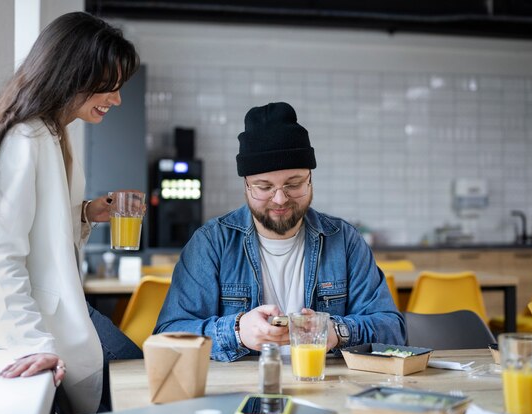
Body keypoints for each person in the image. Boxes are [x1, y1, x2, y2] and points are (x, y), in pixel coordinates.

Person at [0, 12, 142, 414]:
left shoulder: (55, 132)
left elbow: (39, 224)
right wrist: (33, 344)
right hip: (34, 322)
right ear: (73, 74)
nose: (116, 99)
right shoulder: (23, 138)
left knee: (139, 377)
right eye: (109, 86)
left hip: (60, 311)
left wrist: (85, 213)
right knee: (137, 382)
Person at [155, 102, 406, 362]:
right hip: (240, 393)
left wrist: (337, 331)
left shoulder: (344, 241)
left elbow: (394, 331)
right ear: (246, 185)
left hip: (327, 387)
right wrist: (237, 332)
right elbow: (167, 337)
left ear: (310, 179)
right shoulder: (211, 243)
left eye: (293, 184)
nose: (279, 199)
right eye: (264, 186)